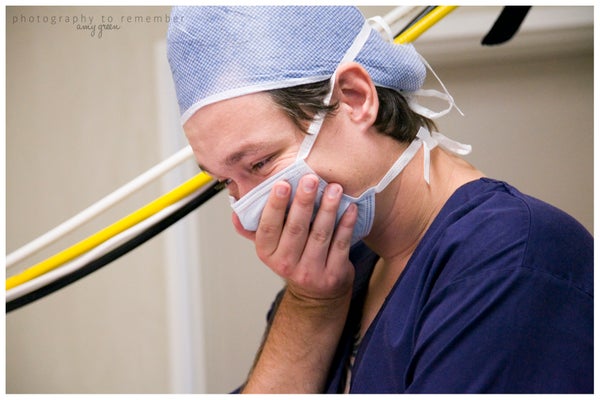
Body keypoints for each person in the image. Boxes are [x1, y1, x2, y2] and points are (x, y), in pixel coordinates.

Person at [166, 6, 593, 394]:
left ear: (355, 97)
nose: (249, 213)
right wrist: (310, 304)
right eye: (227, 182)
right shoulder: (335, 273)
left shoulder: (513, 254)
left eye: (259, 163)